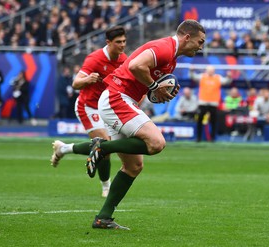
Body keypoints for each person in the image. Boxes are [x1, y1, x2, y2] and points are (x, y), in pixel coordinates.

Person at [51, 19, 205, 230]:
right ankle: (102, 146)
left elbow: (145, 83)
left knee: (134, 166)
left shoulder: (171, 59)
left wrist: (159, 91)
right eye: (200, 41)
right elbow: (135, 66)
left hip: (122, 100)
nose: (201, 46)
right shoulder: (165, 48)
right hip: (117, 97)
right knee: (156, 143)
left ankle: (103, 218)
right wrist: (154, 85)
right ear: (187, 37)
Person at [51, 26, 128, 198]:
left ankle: (63, 149)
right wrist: (87, 79)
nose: (122, 45)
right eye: (118, 42)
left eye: (124, 41)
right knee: (104, 144)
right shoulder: (95, 59)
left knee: (106, 147)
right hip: (89, 106)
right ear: (108, 43)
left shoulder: (124, 59)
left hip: (108, 108)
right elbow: (75, 83)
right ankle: (106, 187)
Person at [189, 65, 232, 142]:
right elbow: (193, 77)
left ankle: (212, 138)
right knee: (200, 120)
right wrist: (191, 71)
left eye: (212, 70)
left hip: (213, 103)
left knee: (213, 121)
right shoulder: (202, 76)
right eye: (209, 70)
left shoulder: (218, 78)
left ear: (214, 71)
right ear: (206, 70)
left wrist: (229, 77)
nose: (210, 72)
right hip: (203, 102)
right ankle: (198, 138)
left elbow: (227, 81)